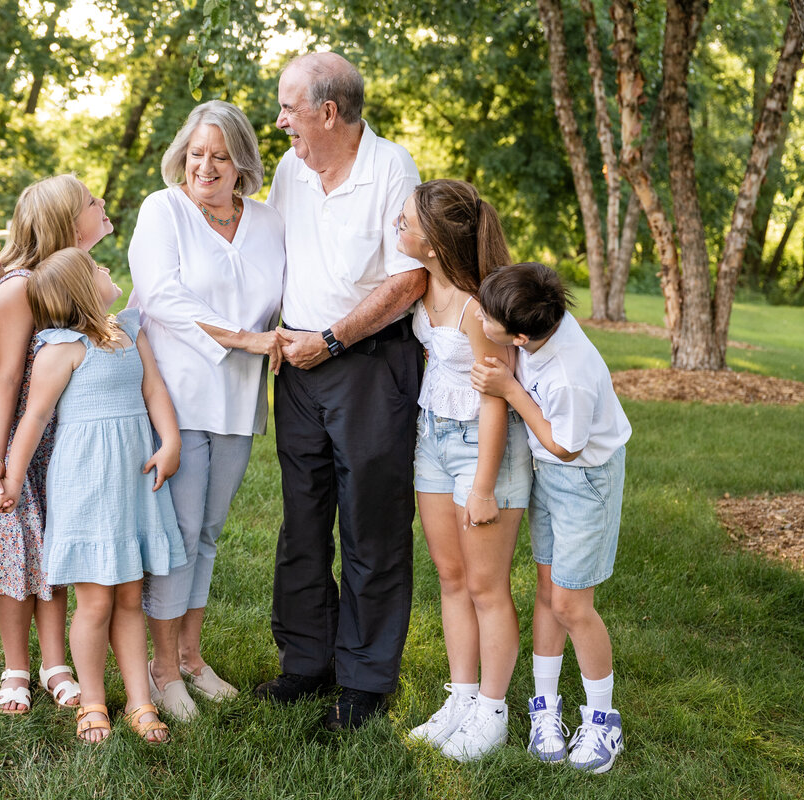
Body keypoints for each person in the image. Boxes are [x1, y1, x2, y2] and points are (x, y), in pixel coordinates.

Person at [255, 52, 427, 731]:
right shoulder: (292, 171)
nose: (280, 121)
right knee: (302, 523)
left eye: (288, 108)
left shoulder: (392, 168)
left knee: (372, 524)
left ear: (328, 113)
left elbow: (409, 279)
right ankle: (306, 662)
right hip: (298, 367)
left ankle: (364, 681)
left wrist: (332, 338)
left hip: (369, 364)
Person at [0, 247, 186, 744]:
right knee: (95, 602)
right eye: (97, 270)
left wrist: (171, 442)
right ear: (80, 290)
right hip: (88, 487)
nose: (106, 270)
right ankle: (93, 699)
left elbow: (154, 391)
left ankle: (139, 699)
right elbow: (32, 420)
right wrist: (8, 478)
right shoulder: (60, 349)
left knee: (131, 595)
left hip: (134, 481)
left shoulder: (128, 332)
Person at [127, 100, 286, 721]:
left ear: (242, 160)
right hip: (177, 395)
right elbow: (161, 296)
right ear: (181, 156)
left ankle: (191, 657)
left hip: (241, 400)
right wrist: (245, 339)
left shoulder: (269, 221)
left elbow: (285, 294)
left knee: (210, 533)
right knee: (179, 534)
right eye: (197, 153)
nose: (206, 166)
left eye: (221, 155)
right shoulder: (163, 210)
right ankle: (160, 667)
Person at [470, 262, 631, 773]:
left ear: (520, 335)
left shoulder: (569, 377)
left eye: (490, 317)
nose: (479, 316)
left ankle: (604, 719)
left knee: (571, 604)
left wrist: (512, 392)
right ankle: (545, 708)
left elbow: (564, 446)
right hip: (551, 473)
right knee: (546, 589)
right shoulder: (540, 323)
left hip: (584, 479)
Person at [0, 175, 113, 714]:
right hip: (9, 437)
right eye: (94, 202)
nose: (103, 205)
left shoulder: (72, 276)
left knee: (52, 545)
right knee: (13, 549)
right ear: (69, 222)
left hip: (60, 437)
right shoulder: (21, 287)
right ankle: (15, 667)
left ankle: (56, 664)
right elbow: (5, 378)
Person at [395, 180, 533, 760]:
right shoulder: (424, 286)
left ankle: (493, 713)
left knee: (485, 587)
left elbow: (497, 397)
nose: (396, 228)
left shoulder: (481, 306)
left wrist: (483, 485)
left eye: (405, 222)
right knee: (451, 579)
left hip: (483, 446)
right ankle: (462, 696)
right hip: (433, 436)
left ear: (436, 239)